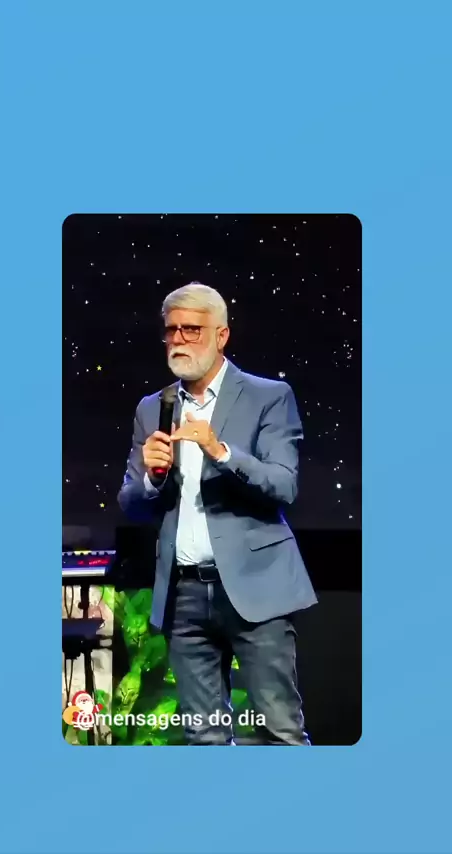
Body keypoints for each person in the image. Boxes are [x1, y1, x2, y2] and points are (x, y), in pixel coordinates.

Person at [118, 282, 317, 745]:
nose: (179, 340)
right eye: (172, 330)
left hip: (256, 587)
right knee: (201, 736)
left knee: (278, 729)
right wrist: (152, 478)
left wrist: (221, 452)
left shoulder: (269, 396)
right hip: (184, 594)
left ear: (221, 336)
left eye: (192, 329)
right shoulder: (153, 408)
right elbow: (131, 503)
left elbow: (284, 485)